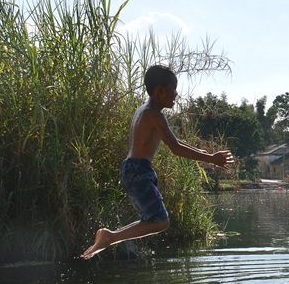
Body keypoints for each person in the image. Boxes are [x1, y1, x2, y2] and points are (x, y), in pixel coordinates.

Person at [80, 65, 234, 260]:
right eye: (173, 89)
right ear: (160, 91)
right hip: (138, 171)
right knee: (160, 221)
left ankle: (110, 236)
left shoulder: (145, 111)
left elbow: (174, 141)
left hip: (133, 169)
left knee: (154, 220)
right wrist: (211, 159)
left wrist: (201, 153)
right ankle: (110, 237)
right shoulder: (154, 114)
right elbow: (175, 148)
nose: (176, 95)